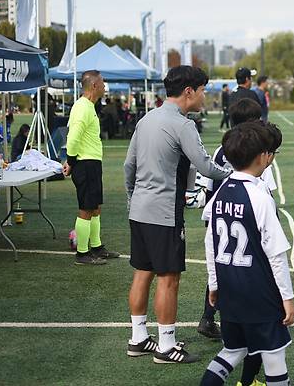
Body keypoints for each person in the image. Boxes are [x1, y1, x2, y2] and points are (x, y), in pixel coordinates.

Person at [124, 65, 232, 364]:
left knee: (142, 272)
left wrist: (133, 201)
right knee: (168, 278)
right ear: (189, 91)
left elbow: (128, 168)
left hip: (140, 210)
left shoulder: (146, 119)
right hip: (164, 213)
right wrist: (237, 176)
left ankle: (138, 339)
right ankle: (166, 345)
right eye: (202, 90)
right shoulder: (184, 125)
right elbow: (207, 167)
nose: (203, 95)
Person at [200, 121, 294, 386]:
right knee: (274, 355)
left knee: (232, 350)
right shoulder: (259, 196)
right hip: (259, 292)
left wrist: (215, 282)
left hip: (230, 288)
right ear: (263, 157)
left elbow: (210, 241)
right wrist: (287, 298)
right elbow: (276, 254)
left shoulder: (220, 194)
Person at [63, 70, 119, 265]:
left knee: (95, 208)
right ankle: (82, 253)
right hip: (84, 164)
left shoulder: (88, 106)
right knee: (86, 209)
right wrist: (70, 161)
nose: (105, 86)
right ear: (94, 85)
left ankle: (96, 247)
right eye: (103, 83)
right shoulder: (82, 107)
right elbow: (73, 138)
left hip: (92, 163)